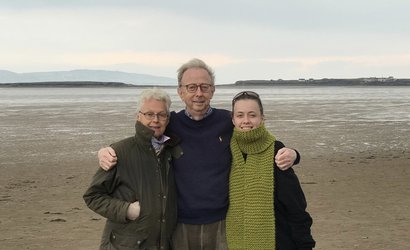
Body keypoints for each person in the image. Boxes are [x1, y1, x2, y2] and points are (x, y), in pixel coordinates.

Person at [97, 58, 301, 249]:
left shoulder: (227, 121)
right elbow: (140, 142)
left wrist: (293, 153)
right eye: (191, 87)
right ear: (180, 92)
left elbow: (260, 139)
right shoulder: (170, 123)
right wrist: (106, 150)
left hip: (222, 223)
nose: (198, 93)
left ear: (212, 90)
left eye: (204, 87)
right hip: (179, 224)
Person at [83, 88, 182, 250]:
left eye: (161, 114)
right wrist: (126, 210)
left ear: (168, 118)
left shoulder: (172, 150)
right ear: (138, 116)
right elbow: (93, 197)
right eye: (149, 114)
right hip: (125, 244)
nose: (155, 120)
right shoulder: (120, 152)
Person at [226, 90, 315, 249]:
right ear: (232, 119)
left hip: (277, 241)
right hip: (236, 240)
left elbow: (295, 205)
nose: (246, 120)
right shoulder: (226, 149)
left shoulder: (276, 151)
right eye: (240, 115)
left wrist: (305, 244)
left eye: (252, 115)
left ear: (262, 118)